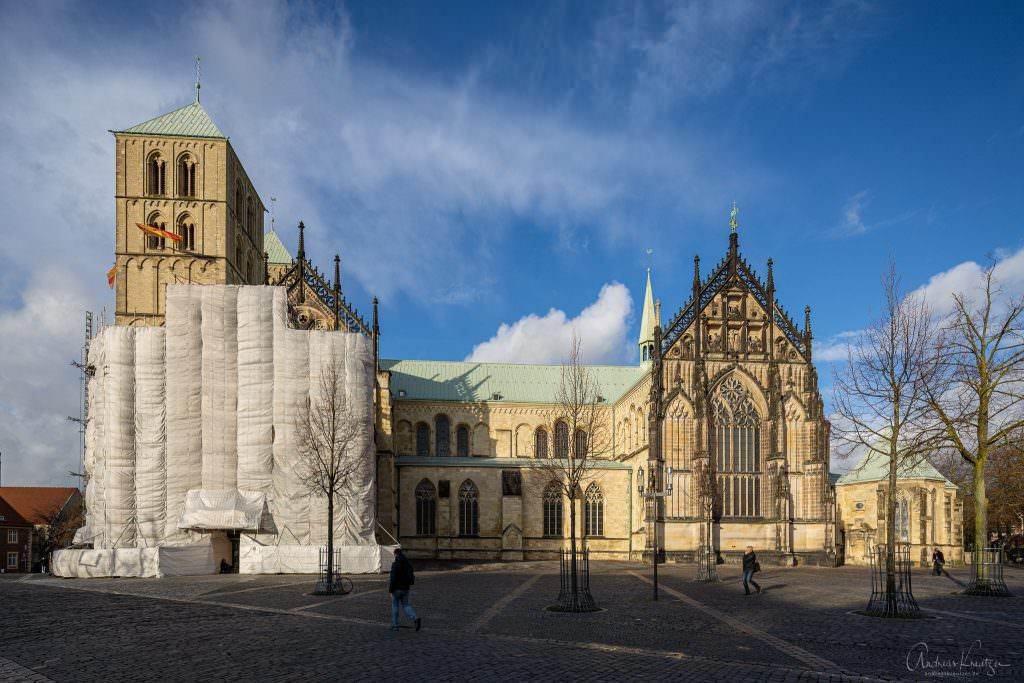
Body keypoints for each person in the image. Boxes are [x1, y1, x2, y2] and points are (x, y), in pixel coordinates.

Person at [389, 548, 421, 632]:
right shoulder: (408, 564)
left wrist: (390, 590)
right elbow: (411, 575)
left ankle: (395, 625)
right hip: (405, 588)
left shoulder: (395, 564)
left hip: (396, 589)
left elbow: (393, 578)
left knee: (395, 606)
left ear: (395, 554)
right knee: (406, 605)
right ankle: (415, 618)